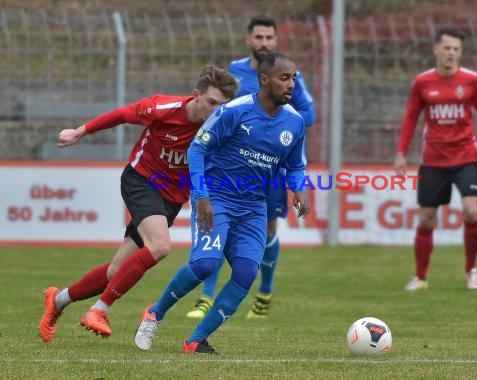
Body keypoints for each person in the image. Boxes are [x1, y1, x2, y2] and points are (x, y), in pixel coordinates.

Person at [38, 65, 238, 342]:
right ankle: (99, 310)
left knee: (115, 272)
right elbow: (122, 115)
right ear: (196, 96)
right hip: (142, 181)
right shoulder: (163, 108)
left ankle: (57, 300)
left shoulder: (221, 127)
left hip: (171, 198)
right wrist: (79, 132)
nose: (216, 111)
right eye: (212, 103)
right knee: (160, 246)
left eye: (222, 107)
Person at [134, 52, 310, 354]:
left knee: (245, 273)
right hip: (217, 198)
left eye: (293, 78)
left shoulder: (294, 122)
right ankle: (154, 314)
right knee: (205, 264)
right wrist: (201, 195)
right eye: (285, 78)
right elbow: (196, 150)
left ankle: (195, 340)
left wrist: (300, 189)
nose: (291, 84)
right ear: (264, 80)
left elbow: (295, 166)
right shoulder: (234, 111)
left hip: (254, 206)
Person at [186, 15, 315, 320]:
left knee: (268, 228)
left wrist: (273, 128)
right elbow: (222, 107)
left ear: (276, 41)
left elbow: (307, 113)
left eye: (269, 38)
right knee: (219, 226)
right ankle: (206, 296)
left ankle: (265, 292)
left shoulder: (288, 76)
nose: (264, 43)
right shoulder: (236, 70)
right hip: (232, 164)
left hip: (269, 165)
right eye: (259, 37)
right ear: (249, 41)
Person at [394, 26, 477, 292]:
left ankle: (471, 269)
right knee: (426, 218)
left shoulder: (472, 80)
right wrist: (401, 153)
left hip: (466, 157)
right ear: (436, 49)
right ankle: (421, 277)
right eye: (447, 48)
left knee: (472, 211)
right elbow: (410, 118)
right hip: (433, 160)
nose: (452, 53)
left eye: (456, 49)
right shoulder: (422, 82)